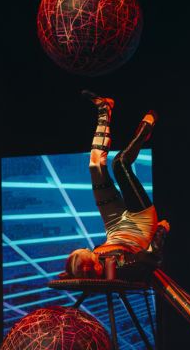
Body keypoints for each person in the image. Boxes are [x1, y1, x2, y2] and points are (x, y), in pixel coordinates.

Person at [63, 90, 170, 281]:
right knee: (120, 164)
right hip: (140, 225)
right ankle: (145, 130)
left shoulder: (90, 264)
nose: (91, 251)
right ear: (92, 267)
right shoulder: (117, 269)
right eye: (90, 255)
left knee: (95, 166)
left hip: (114, 227)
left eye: (89, 252)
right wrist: (161, 231)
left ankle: (104, 109)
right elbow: (151, 260)